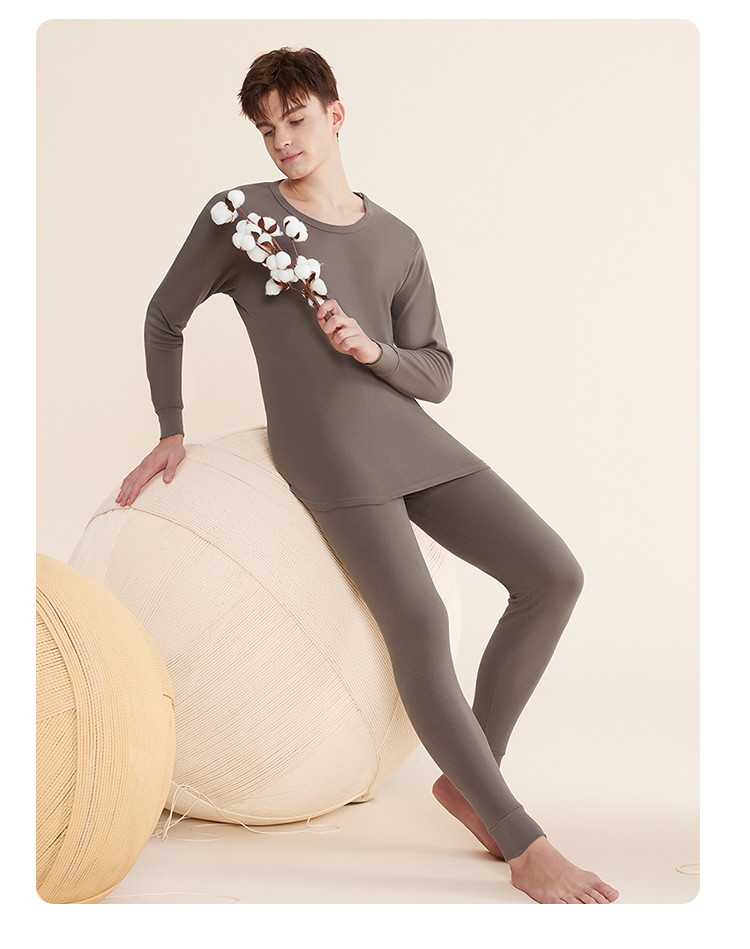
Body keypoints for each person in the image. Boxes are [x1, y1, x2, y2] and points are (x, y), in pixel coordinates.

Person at [116, 46, 619, 905]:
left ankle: (474, 777)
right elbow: (166, 317)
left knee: (552, 575)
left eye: (297, 118)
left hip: (407, 438)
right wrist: (171, 426)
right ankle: (523, 840)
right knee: (421, 620)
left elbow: (437, 373)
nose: (283, 140)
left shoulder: (397, 240)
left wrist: (372, 349)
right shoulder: (239, 218)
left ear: (336, 114)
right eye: (267, 129)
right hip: (328, 452)